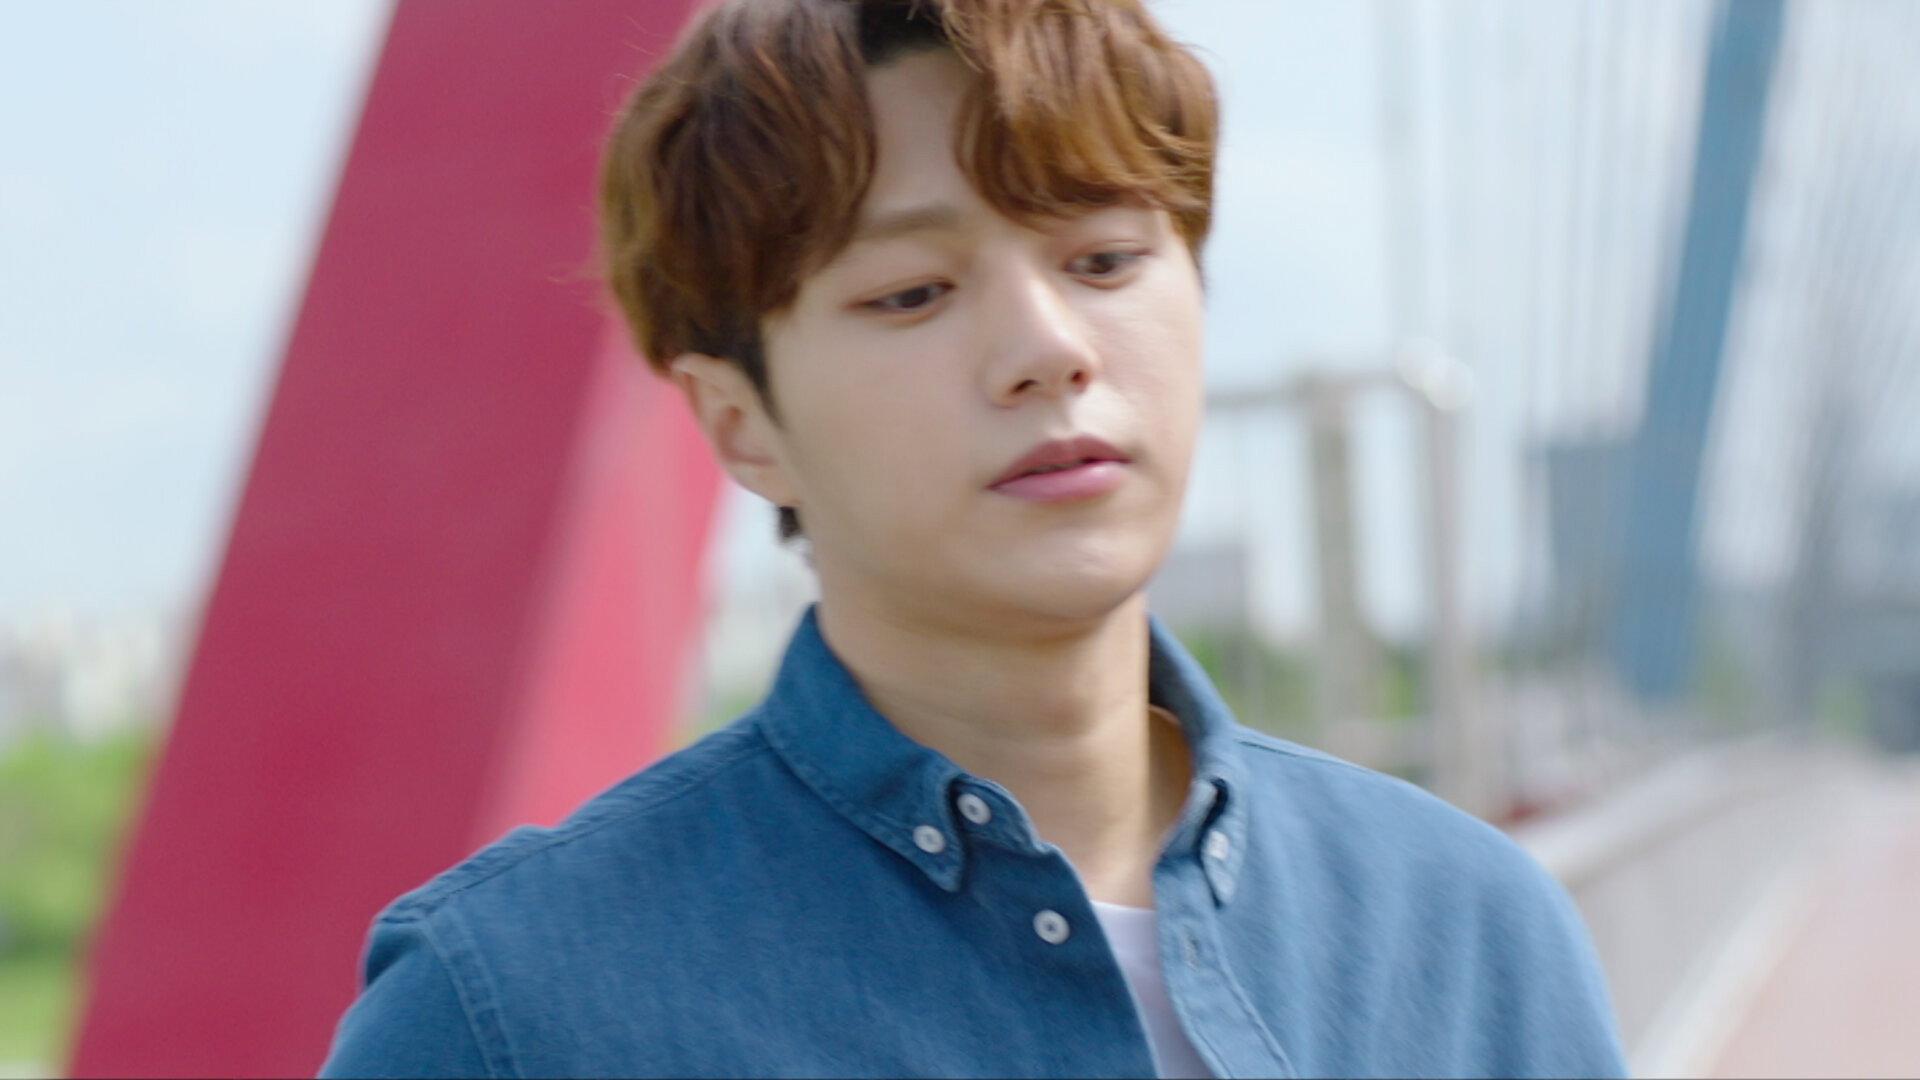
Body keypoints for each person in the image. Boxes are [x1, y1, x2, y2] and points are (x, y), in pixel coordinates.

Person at [320, 0, 1628, 1076]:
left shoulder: (1467, 927)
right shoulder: (511, 1013)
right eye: (913, 293)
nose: (1049, 350)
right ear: (743, 424)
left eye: (1105, 260)